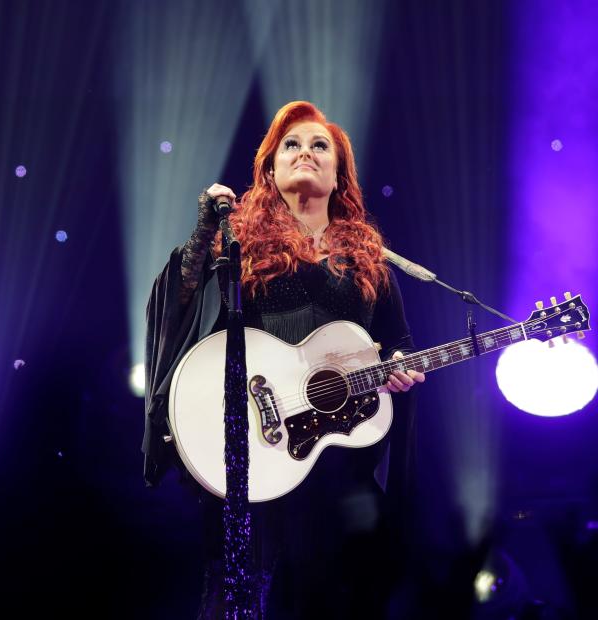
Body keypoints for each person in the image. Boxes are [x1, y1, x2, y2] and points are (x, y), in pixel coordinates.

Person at [144, 100, 425, 618]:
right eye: (291, 145)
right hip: (252, 445)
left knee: (336, 592)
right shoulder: (239, 243)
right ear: (269, 168)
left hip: (338, 453)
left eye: (321, 146)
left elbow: (397, 338)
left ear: (339, 172)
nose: (306, 153)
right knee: (239, 591)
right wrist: (206, 230)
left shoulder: (369, 256)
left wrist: (402, 366)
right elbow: (177, 303)